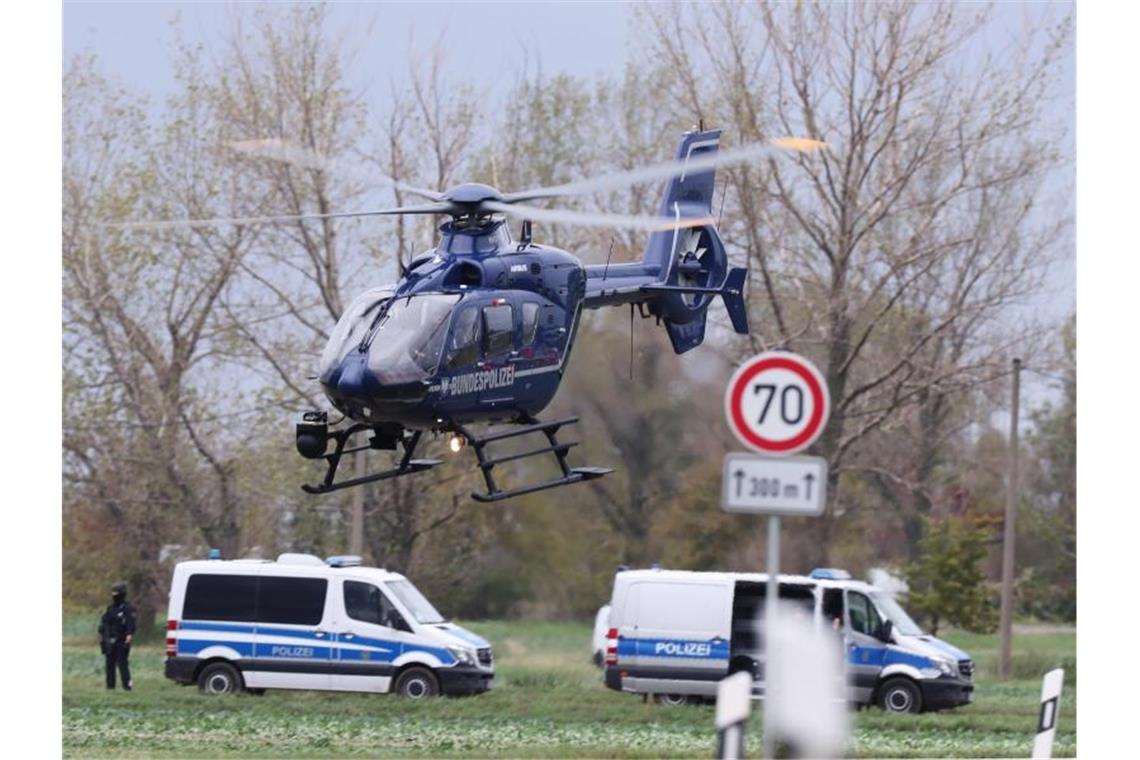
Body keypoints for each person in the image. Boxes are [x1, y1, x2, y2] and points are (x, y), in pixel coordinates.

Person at [98, 582, 137, 691]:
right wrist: (102, 635)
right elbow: (104, 622)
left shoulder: (128, 608)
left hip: (122, 639)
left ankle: (127, 686)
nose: (115, 596)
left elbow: (131, 622)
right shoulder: (110, 608)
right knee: (109, 664)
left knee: (122, 663)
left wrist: (129, 634)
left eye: (117, 593)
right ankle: (110, 686)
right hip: (109, 639)